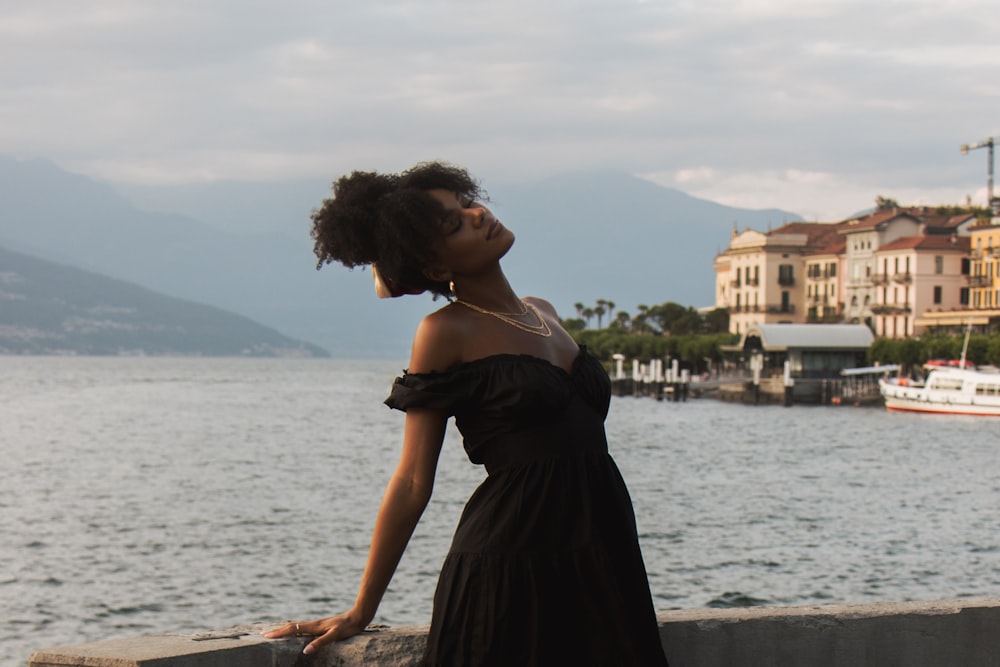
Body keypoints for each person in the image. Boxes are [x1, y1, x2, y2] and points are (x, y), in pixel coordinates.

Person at [262, 162, 668, 666]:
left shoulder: (544, 312)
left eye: (465, 203)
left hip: (602, 556)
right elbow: (412, 480)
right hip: (510, 568)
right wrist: (362, 607)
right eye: (455, 223)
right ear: (435, 269)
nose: (478, 215)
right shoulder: (443, 333)